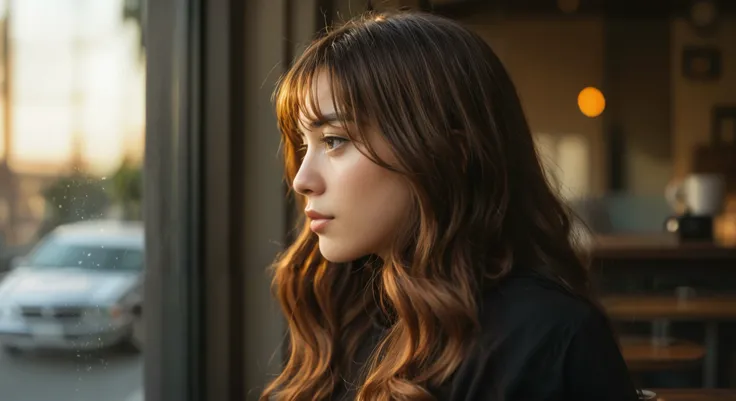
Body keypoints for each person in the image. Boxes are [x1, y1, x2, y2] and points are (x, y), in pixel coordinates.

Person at [262, 11, 640, 401]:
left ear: (448, 153)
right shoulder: (341, 314)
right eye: (304, 144)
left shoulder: (550, 338)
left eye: (335, 139)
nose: (301, 180)